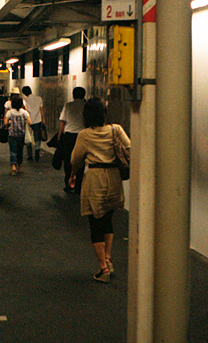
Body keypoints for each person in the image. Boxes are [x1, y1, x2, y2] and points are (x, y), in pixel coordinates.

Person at [69, 97, 129, 283]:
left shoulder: (85, 135)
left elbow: (75, 160)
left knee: (95, 222)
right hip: (113, 177)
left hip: (95, 177)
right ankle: (108, 258)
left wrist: (72, 175)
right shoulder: (115, 129)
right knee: (108, 219)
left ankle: (103, 269)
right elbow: (128, 147)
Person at [57, 87, 86, 194]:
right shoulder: (86, 106)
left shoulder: (68, 106)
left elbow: (63, 122)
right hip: (82, 137)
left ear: (73, 95)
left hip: (69, 137)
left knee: (68, 160)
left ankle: (68, 185)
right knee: (80, 161)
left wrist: (59, 136)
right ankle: (78, 186)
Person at [4, 94, 32, 176]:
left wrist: (9, 123)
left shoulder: (10, 112)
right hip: (21, 135)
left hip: (12, 135)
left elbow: (5, 122)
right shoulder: (24, 112)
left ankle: (13, 166)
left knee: (13, 150)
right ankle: (19, 166)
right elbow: (30, 123)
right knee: (20, 151)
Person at [21, 86, 44, 162]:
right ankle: (37, 153)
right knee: (37, 138)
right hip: (37, 120)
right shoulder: (39, 98)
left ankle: (29, 155)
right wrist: (43, 120)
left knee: (29, 138)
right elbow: (41, 110)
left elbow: (24, 110)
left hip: (29, 121)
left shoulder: (25, 100)